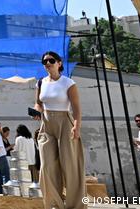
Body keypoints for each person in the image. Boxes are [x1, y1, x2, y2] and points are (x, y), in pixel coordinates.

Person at [34, 50, 85, 209]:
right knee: (46, 166)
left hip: (65, 123)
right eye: (44, 62)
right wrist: (37, 111)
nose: (47, 63)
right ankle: (55, 204)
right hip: (46, 124)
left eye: (51, 60)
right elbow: (38, 103)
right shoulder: (40, 83)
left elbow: (76, 108)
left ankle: (75, 205)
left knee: (70, 166)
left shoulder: (68, 83)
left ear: (59, 63)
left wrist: (76, 126)